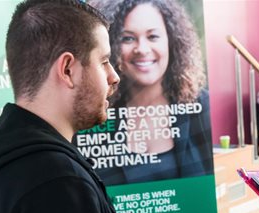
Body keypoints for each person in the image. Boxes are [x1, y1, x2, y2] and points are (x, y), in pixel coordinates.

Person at [0, 1, 169, 213]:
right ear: (68, 69)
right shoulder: (57, 184)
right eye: (103, 61)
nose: (114, 76)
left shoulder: (8, 154)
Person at [82, 0, 213, 185]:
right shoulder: (91, 115)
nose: (142, 49)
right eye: (127, 38)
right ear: (110, 45)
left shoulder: (199, 106)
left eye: (152, 37)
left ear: (172, 41)